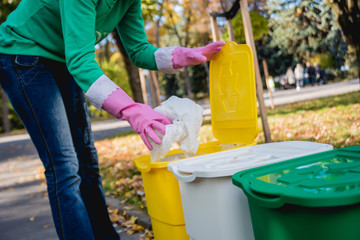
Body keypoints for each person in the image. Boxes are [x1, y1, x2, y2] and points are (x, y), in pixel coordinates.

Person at [0, 1, 225, 239]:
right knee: (64, 165)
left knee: (86, 158)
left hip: (64, 58)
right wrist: (131, 110)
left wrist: (181, 56)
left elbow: (138, 50)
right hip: (23, 54)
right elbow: (81, 61)